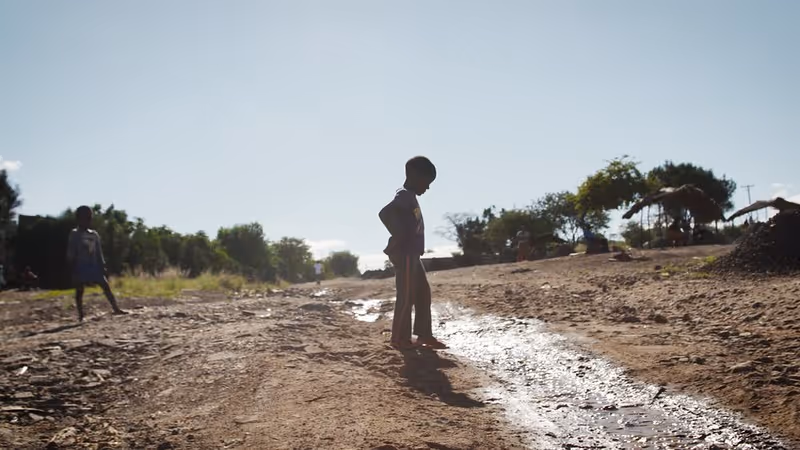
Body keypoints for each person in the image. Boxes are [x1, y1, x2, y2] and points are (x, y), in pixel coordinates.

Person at [379, 156, 446, 350]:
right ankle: (399, 338)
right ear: (415, 176)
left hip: (413, 254)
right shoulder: (404, 195)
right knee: (407, 295)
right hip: (406, 253)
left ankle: (424, 334)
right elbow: (385, 213)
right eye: (427, 182)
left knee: (423, 293)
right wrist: (399, 236)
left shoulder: (410, 197)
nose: (428, 188)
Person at [66, 206, 127, 322]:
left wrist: (102, 265)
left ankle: (116, 308)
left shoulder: (94, 235)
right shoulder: (74, 234)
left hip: (94, 267)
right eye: (85, 218)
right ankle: (81, 316)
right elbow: (71, 252)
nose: (87, 221)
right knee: (79, 291)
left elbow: (99, 252)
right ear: (78, 219)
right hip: (80, 267)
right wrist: (72, 268)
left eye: (89, 218)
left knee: (105, 286)